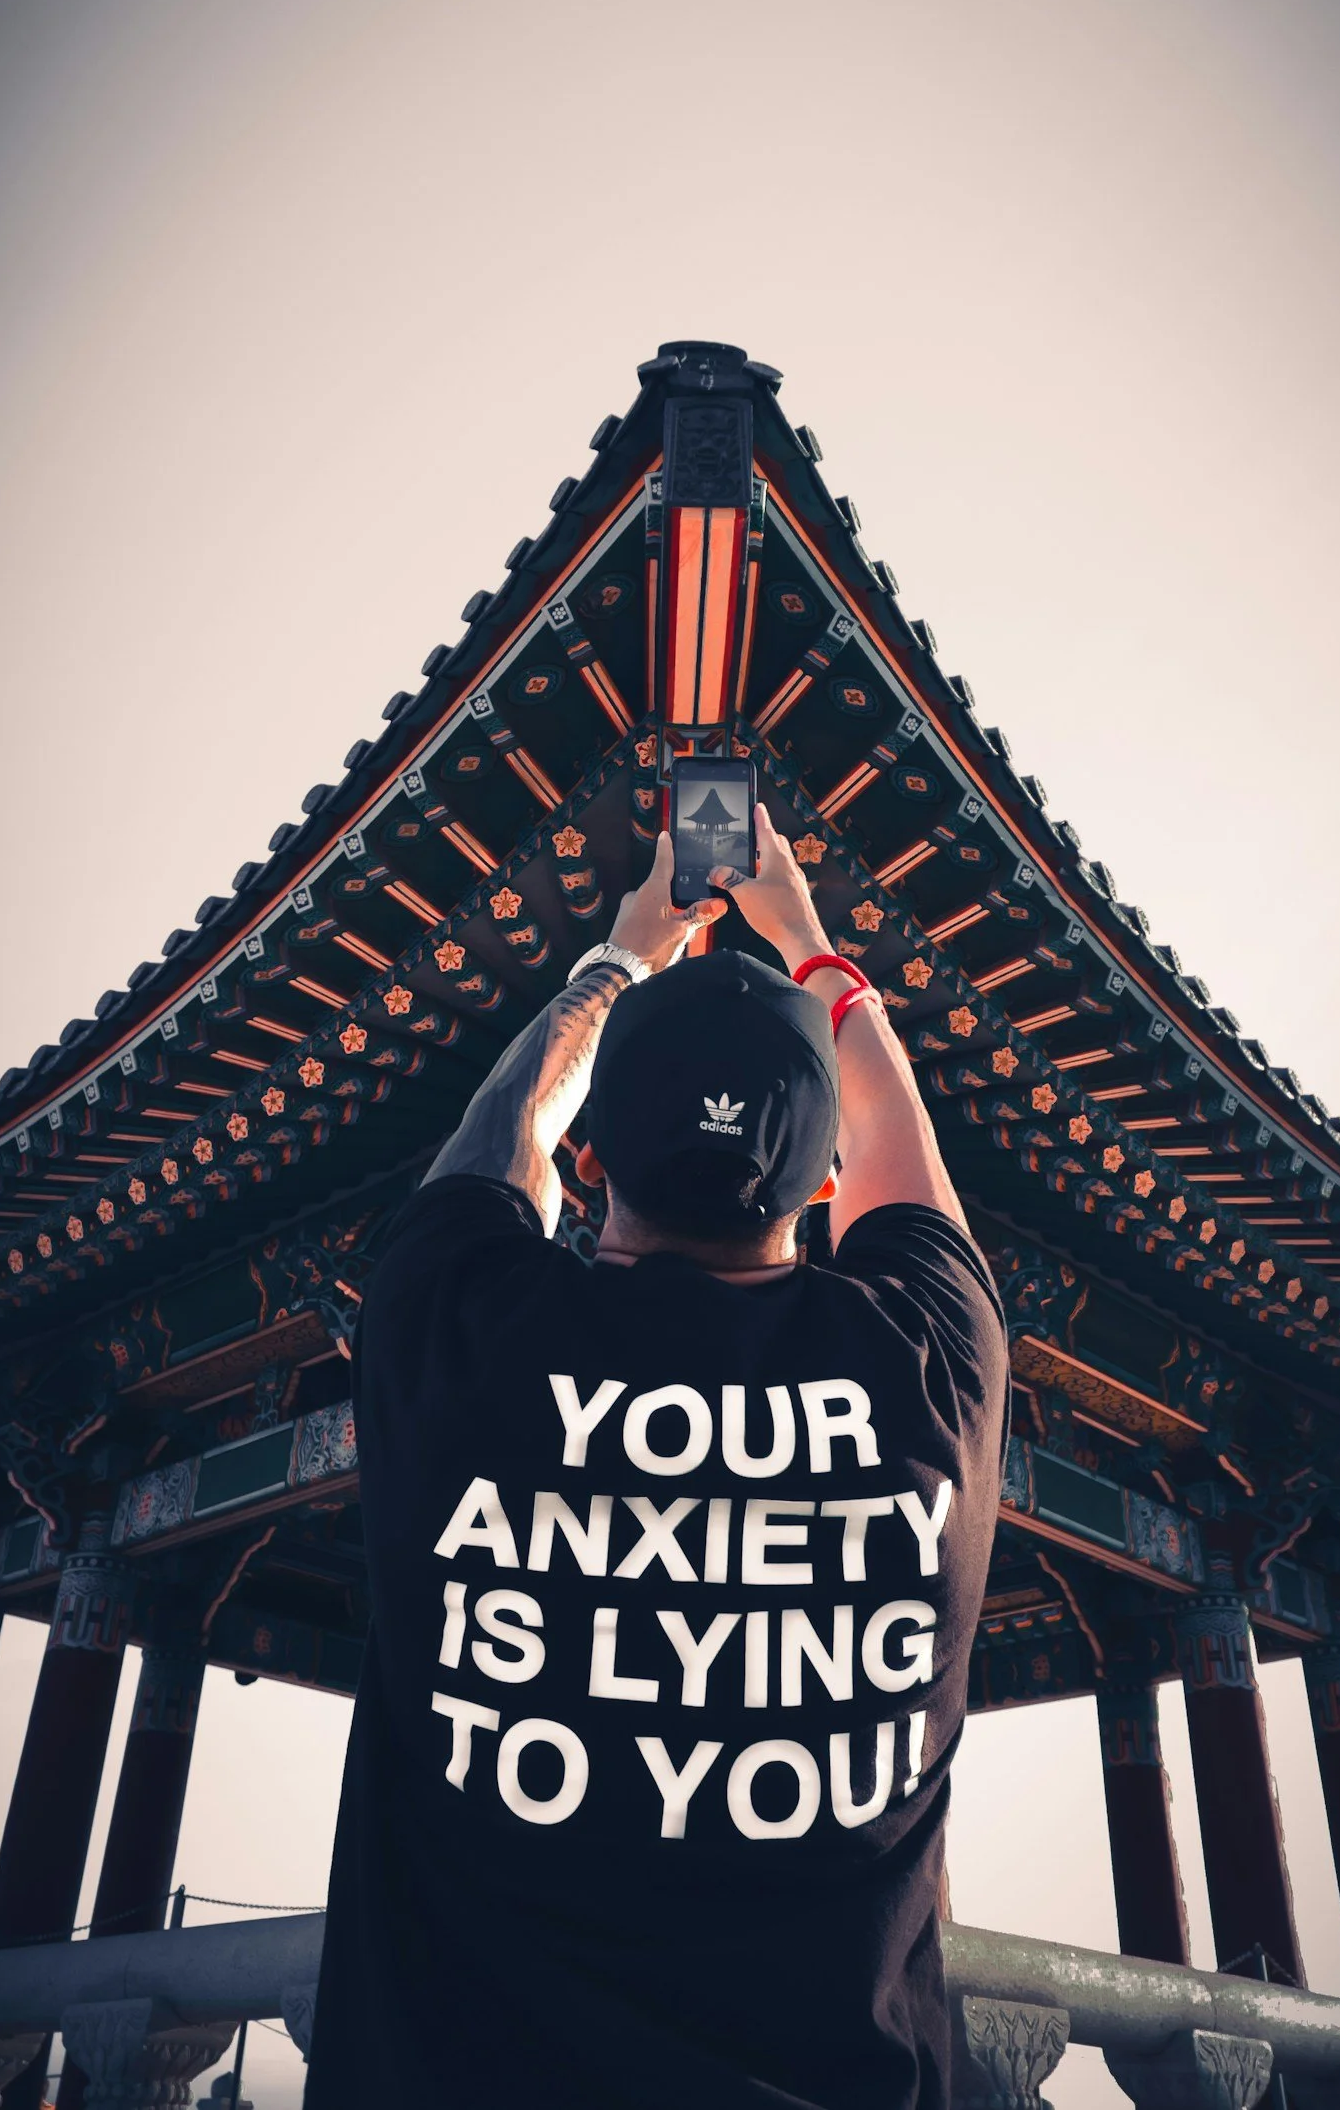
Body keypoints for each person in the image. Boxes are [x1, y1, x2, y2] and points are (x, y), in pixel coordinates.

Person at [305, 808, 1009, 2110]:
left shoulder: (463, 1348)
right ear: (818, 1185)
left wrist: (617, 960)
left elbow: (492, 1145)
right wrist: (809, 944)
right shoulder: (930, 1384)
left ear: (588, 1161)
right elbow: (909, 1178)